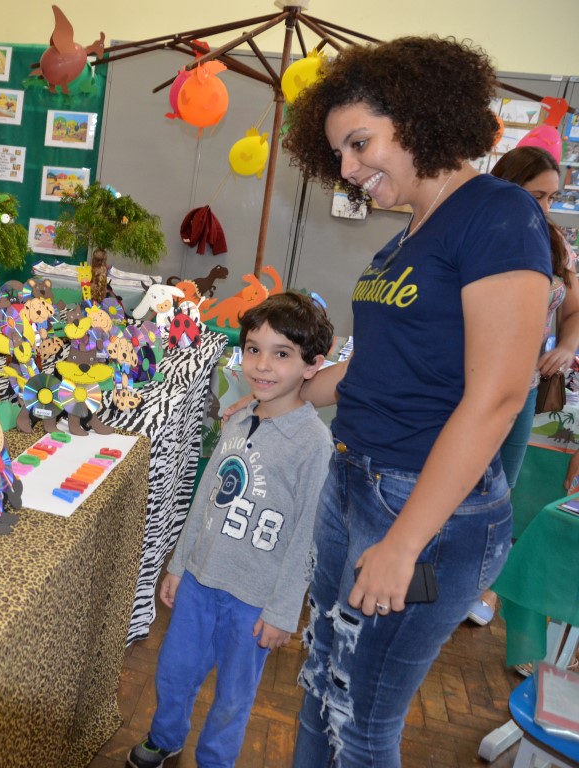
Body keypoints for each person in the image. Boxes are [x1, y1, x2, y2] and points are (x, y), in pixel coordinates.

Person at [269, 36, 552, 767]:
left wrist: (403, 544)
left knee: (362, 722)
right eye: (336, 153)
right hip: (353, 481)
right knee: (318, 685)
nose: (349, 168)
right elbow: (376, 370)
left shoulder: (498, 213)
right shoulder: (402, 242)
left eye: (359, 143)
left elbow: (496, 398)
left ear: (421, 119)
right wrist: (285, 390)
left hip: (425, 510)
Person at [127, 293, 334, 768]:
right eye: (253, 349)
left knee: (233, 698)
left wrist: (284, 610)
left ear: (312, 365)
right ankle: (165, 736)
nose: (261, 365)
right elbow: (206, 497)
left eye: (282, 354)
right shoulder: (238, 418)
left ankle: (215, 760)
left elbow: (307, 535)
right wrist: (178, 565)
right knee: (174, 673)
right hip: (200, 582)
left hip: (254, 601)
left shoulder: (313, 443)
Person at [469, 145, 579, 625]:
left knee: (502, 488)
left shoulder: (556, 244)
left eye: (553, 197)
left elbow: (573, 311)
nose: (546, 208)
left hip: (526, 386)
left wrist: (566, 346)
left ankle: (486, 588)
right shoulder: (475, 234)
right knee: (459, 478)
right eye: (538, 196)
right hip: (469, 385)